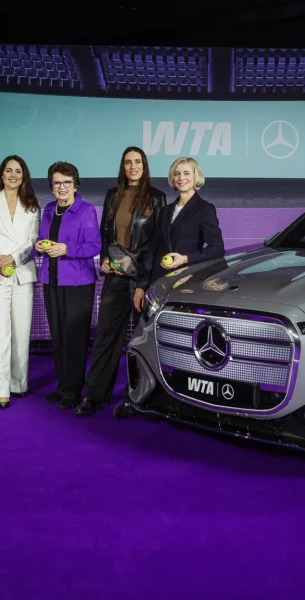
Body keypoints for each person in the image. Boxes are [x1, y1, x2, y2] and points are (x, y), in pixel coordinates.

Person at [120, 156, 225, 417]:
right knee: (144, 342)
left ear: (196, 176)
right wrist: (141, 286)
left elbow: (217, 250)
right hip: (155, 287)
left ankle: (181, 401)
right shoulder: (165, 211)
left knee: (176, 344)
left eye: (186, 173)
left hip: (185, 287)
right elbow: (153, 251)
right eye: (177, 174)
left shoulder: (205, 208)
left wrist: (185, 259)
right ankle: (136, 398)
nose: (181, 178)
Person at [76, 147, 166, 417]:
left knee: (141, 343)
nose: (133, 166)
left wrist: (141, 281)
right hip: (115, 279)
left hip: (143, 282)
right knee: (105, 338)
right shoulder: (113, 196)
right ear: (123, 167)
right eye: (128, 162)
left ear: (145, 165)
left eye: (137, 162)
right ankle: (95, 396)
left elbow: (156, 245)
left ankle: (136, 399)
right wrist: (105, 259)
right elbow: (106, 235)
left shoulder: (157, 198)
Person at [34, 161, 101, 410]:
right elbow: (41, 240)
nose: (62, 187)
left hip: (78, 283)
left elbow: (94, 246)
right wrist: (40, 246)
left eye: (67, 182)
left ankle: (74, 389)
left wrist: (67, 249)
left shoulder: (86, 210)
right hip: (51, 279)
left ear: (76, 185)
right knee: (59, 336)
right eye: (57, 182)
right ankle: (62, 386)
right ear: (51, 187)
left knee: (74, 337)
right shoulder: (49, 209)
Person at [0, 155, 41, 409]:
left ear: (23, 176)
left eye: (18, 171)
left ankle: (18, 384)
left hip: (23, 273)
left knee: (21, 332)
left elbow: (33, 240)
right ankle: (1, 388)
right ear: (2, 175)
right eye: (9, 170)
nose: (13, 175)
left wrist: (13, 258)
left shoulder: (32, 206)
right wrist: (0, 260)